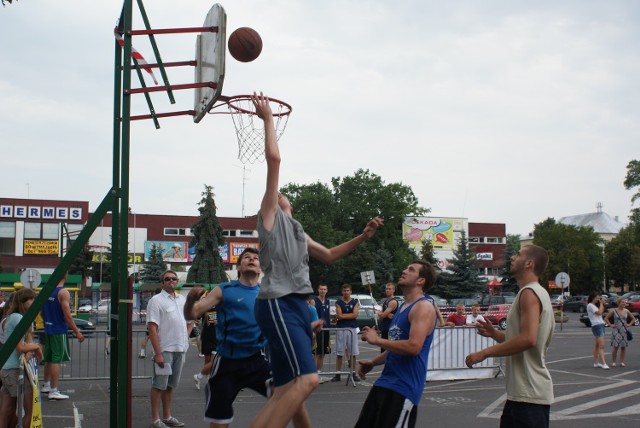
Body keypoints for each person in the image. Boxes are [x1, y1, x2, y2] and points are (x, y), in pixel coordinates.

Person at [250, 92, 384, 428]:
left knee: (287, 392)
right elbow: (274, 161)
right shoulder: (269, 218)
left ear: (289, 206)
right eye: (274, 194)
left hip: (295, 306)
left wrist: (363, 235)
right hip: (278, 303)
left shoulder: (296, 231)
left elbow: (328, 254)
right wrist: (268, 120)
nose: (276, 196)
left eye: (281, 196)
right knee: (308, 380)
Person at [184, 247, 306, 427]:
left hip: (257, 361)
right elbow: (191, 314)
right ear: (239, 267)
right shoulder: (224, 290)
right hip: (227, 363)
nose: (251, 259)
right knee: (219, 421)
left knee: (293, 398)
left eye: (256, 258)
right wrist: (189, 301)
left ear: (260, 268)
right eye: (246, 257)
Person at [465, 244, 555, 428]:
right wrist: (494, 334)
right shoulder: (533, 292)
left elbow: (528, 340)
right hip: (522, 395)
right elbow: (519, 339)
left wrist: (485, 353)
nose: (513, 257)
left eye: (519, 254)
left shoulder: (530, 293)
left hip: (529, 396)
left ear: (529, 263)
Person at [354, 260, 437, 428]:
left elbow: (414, 347)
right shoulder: (402, 307)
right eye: (406, 267)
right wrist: (373, 362)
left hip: (404, 388)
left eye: (411, 269)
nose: (404, 270)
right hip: (384, 383)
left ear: (421, 280)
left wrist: (377, 340)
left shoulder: (423, 307)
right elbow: (397, 345)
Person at [147, 270, 194, 428]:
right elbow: (152, 329)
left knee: (170, 386)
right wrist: (158, 353)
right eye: (167, 279)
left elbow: (191, 320)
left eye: (174, 279)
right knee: (159, 385)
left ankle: (167, 416)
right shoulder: (156, 301)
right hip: (165, 350)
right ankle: (155, 419)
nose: (171, 281)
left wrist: (186, 336)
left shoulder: (182, 299)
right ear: (162, 283)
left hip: (180, 349)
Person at [0, 288, 43, 428]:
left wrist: (31, 346)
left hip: (6, 368)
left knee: (7, 409)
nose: (34, 302)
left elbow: (23, 343)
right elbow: (20, 348)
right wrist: (36, 347)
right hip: (13, 369)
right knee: (30, 410)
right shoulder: (18, 318)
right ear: (24, 301)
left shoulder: (12, 317)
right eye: (32, 299)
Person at [42, 272, 85, 400]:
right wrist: (77, 332)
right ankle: (54, 390)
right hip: (58, 329)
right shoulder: (63, 292)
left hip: (48, 328)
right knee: (56, 359)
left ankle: (46, 384)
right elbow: (67, 315)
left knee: (49, 358)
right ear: (65, 277)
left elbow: (41, 311)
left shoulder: (47, 291)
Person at [333, 284, 360, 382]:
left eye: (348, 290)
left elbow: (355, 315)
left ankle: (353, 373)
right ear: (342, 292)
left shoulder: (355, 301)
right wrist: (349, 315)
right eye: (344, 290)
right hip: (341, 328)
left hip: (352, 329)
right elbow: (339, 316)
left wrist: (343, 315)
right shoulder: (338, 302)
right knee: (340, 352)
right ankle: (338, 374)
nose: (346, 292)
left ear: (351, 291)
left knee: (353, 352)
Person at [192, 292, 218, 391]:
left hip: (217, 338)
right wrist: (198, 324)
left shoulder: (220, 308)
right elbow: (196, 318)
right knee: (207, 361)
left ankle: (200, 377)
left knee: (215, 360)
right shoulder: (205, 308)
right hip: (207, 337)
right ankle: (205, 378)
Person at [604, 297, 636, 368]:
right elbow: (606, 318)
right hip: (616, 331)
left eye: (625, 302)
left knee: (623, 347)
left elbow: (633, 319)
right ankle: (613, 362)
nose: (624, 303)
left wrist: (629, 324)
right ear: (619, 303)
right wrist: (610, 325)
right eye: (623, 302)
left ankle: (622, 362)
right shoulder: (614, 311)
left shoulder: (627, 311)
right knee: (615, 347)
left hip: (624, 331)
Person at [311, 284, 331, 372]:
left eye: (324, 289)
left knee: (322, 353)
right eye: (321, 289)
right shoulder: (314, 301)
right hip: (317, 329)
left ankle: (319, 371)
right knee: (315, 352)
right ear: (318, 290)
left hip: (326, 329)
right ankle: (313, 371)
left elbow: (328, 315)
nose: (323, 291)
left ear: (327, 290)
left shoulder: (328, 301)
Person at [586, 291, 609, 369]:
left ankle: (596, 363)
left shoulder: (595, 305)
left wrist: (601, 304)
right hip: (597, 325)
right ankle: (604, 363)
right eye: (597, 298)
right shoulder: (590, 305)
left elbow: (600, 312)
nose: (598, 299)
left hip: (600, 324)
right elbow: (599, 313)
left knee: (597, 345)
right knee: (602, 346)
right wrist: (602, 304)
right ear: (593, 298)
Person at [378, 282, 399, 352]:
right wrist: (386, 314)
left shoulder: (393, 302)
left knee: (388, 349)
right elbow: (380, 316)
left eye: (389, 289)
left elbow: (382, 315)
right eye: (386, 289)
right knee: (383, 348)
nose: (387, 290)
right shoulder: (386, 301)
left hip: (390, 328)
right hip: (384, 327)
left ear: (393, 290)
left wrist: (383, 313)